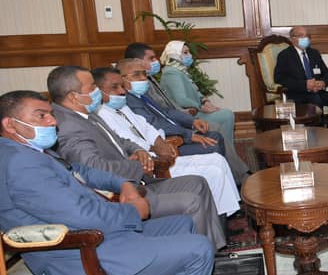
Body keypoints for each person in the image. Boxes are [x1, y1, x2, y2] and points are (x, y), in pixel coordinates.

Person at [0, 90, 225, 275]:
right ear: (10, 124)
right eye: (41, 116)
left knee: (181, 223)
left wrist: (123, 183)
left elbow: (80, 171)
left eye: (50, 114)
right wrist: (133, 212)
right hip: (76, 254)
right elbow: (83, 216)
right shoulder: (20, 164)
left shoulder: (28, 151)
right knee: (198, 249)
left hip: (96, 236)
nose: (52, 121)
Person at [47, 65, 226, 249]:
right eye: (92, 86)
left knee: (198, 183)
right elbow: (95, 169)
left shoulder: (86, 113)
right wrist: (139, 165)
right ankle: (200, 253)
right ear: (73, 96)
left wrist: (139, 151)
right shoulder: (68, 126)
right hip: (119, 198)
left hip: (136, 182)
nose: (96, 90)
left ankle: (214, 249)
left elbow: (120, 140)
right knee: (192, 202)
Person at [93, 67, 240, 217]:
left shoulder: (123, 107)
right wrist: (158, 149)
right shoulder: (102, 115)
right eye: (114, 87)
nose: (121, 91)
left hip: (160, 154)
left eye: (122, 86)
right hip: (152, 166)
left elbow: (147, 127)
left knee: (218, 160)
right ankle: (219, 218)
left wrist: (162, 145)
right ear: (98, 90)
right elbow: (130, 143)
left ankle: (226, 216)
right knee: (214, 172)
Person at [123, 42, 251, 181]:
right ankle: (236, 176)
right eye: (151, 58)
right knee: (215, 134)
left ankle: (231, 176)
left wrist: (193, 119)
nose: (143, 78)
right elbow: (157, 122)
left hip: (179, 123)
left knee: (216, 134)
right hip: (168, 140)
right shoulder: (134, 97)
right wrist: (188, 133)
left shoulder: (145, 87)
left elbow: (167, 111)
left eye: (143, 74)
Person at [158, 40, 239, 158]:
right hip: (187, 114)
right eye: (185, 52)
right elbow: (181, 100)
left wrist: (205, 101)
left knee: (226, 114)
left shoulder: (179, 70)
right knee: (226, 115)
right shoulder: (172, 73)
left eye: (189, 52)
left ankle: (229, 150)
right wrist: (201, 107)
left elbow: (196, 91)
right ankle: (228, 153)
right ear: (175, 55)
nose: (189, 55)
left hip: (195, 110)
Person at [273, 26, 328, 133]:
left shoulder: (314, 53)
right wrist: (304, 85)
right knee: (315, 101)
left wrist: (322, 82)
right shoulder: (285, 55)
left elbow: (326, 74)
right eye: (301, 36)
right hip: (298, 94)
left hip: (318, 91)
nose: (305, 38)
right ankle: (317, 135)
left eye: (307, 36)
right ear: (292, 39)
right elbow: (279, 78)